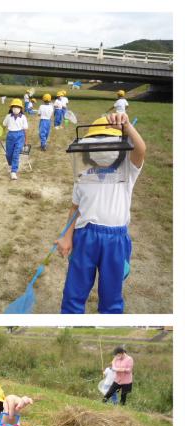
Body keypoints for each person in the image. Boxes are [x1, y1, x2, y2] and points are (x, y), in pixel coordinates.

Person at [55, 113, 146, 313]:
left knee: (112, 294)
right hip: (85, 236)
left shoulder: (128, 170)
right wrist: (67, 237)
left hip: (116, 240)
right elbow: (75, 208)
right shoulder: (83, 174)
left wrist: (127, 126)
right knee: (74, 291)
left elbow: (141, 150)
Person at [2, 99, 28, 180]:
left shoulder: (23, 117)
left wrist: (26, 140)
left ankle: (13, 171)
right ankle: (12, 163)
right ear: (11, 108)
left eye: (18, 107)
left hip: (20, 136)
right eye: (14, 107)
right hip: (10, 136)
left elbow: (25, 129)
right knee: (9, 154)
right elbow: (4, 125)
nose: (16, 108)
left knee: (16, 154)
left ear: (21, 108)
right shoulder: (8, 116)